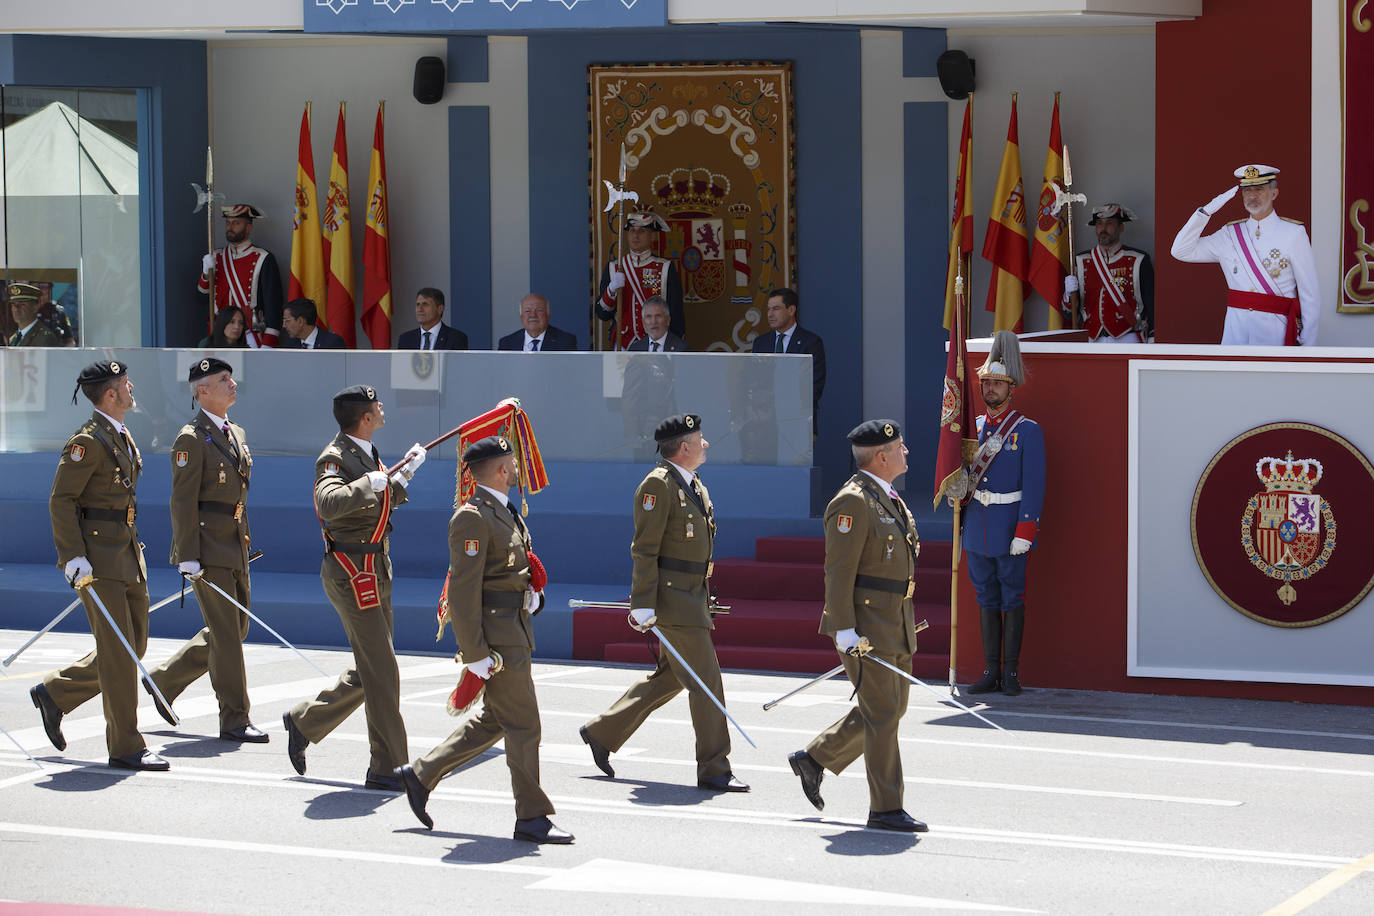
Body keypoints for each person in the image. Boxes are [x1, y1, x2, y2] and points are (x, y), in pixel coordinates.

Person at [395, 436, 573, 844]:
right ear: (498, 468)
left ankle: (422, 774)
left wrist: (532, 595)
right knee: (524, 725)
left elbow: (509, 571)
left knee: (498, 719)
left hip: (514, 628)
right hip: (498, 640)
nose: (516, 467)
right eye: (511, 462)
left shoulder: (504, 511)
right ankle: (532, 818)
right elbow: (461, 590)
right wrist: (474, 653)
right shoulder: (472, 517)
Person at [579, 414, 748, 793]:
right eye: (700, 439)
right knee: (707, 683)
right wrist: (641, 603)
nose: (706, 444)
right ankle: (715, 768)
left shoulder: (692, 485)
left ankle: (602, 732)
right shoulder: (658, 486)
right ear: (684, 447)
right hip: (673, 601)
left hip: (693, 596)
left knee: (671, 677)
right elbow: (645, 549)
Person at [281, 385, 426, 789]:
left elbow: (377, 501)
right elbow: (328, 503)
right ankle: (388, 767)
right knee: (382, 669)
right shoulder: (335, 457)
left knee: (373, 667)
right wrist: (371, 483)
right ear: (364, 416)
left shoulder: (364, 453)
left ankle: (305, 720)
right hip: (351, 570)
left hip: (375, 566)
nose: (382, 408)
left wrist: (405, 473)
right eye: (376, 405)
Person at [787, 419, 925, 833]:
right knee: (883, 713)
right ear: (881, 456)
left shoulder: (887, 497)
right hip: (865, 625)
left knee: (891, 708)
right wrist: (844, 628)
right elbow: (838, 570)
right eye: (901, 447)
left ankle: (814, 758)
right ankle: (886, 807)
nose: (906, 452)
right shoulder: (853, 502)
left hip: (894, 619)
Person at [31, 361, 166, 770]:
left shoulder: (120, 435)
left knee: (133, 646)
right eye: (126, 384)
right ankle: (125, 745)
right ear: (111, 393)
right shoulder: (87, 442)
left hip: (126, 553)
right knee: (121, 652)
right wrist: (71, 556)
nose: (131, 388)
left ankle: (57, 693)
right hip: (97, 560)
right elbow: (61, 500)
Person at [144, 358, 266, 744]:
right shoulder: (191, 438)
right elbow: (182, 501)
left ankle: (163, 679)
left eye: (231, 378)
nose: (233, 384)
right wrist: (187, 554)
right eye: (223, 380)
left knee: (236, 627)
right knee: (228, 634)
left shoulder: (235, 432)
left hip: (235, 544)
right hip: (207, 546)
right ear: (202, 391)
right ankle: (235, 718)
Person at [956, 331, 1045, 696]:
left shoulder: (1027, 431)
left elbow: (1035, 485)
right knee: (985, 598)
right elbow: (956, 474)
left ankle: (1011, 672)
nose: (989, 389)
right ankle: (990, 669)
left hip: (1010, 525)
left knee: (1012, 598)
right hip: (978, 525)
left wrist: (1026, 529)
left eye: (997, 383)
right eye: (986, 382)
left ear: (1011, 388)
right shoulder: (971, 431)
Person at [1170, 164, 1320, 346]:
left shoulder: (1293, 233)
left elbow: (1310, 294)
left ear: (1274, 194)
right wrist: (1206, 212)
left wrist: (1307, 344)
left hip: (1276, 333)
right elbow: (1180, 251)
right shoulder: (1229, 234)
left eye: (1259, 189)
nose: (1252, 196)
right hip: (1236, 332)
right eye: (1247, 190)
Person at [1063, 204, 1155, 343]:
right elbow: (1069, 314)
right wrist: (1068, 295)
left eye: (1109, 223)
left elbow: (1152, 304)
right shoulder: (1081, 261)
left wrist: (1153, 337)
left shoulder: (1138, 259)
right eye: (1099, 224)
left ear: (1121, 228)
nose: (1103, 229)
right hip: (1092, 339)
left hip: (1128, 337)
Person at [197, 204, 284, 347]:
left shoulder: (263, 257)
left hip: (250, 334)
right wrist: (206, 273)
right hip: (219, 333)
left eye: (236, 223)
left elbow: (273, 305)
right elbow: (201, 298)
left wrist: (268, 343)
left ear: (249, 227)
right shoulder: (216, 257)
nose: (230, 227)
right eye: (228, 223)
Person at [595, 211, 685, 348]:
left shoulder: (665, 267)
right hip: (623, 344)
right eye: (632, 231)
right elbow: (602, 314)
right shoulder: (614, 268)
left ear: (652, 236)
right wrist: (611, 290)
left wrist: (673, 347)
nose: (635, 235)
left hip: (655, 344)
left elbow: (676, 314)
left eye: (641, 231)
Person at [750, 287, 827, 430]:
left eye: (776, 309)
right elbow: (754, 379)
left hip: (798, 420)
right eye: (769, 309)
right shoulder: (761, 343)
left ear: (791, 310)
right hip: (764, 422)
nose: (770, 314)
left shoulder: (811, 342)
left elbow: (814, 385)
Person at [497, 294, 578, 351]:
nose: (533, 315)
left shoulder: (565, 341)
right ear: (521, 316)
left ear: (548, 314)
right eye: (527, 311)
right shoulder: (507, 343)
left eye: (539, 310)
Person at [397, 287, 469, 351]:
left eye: (425, 304)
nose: (420, 309)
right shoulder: (406, 339)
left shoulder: (456, 338)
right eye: (418, 304)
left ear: (440, 309)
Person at [7, 282, 64, 347]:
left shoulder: (45, 338)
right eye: (13, 305)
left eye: (22, 305)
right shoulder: (14, 338)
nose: (16, 309)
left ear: (35, 307)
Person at [280, 298, 347, 350]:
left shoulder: (332, 343)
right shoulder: (289, 345)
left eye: (287, 321)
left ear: (300, 321)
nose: (284, 325)